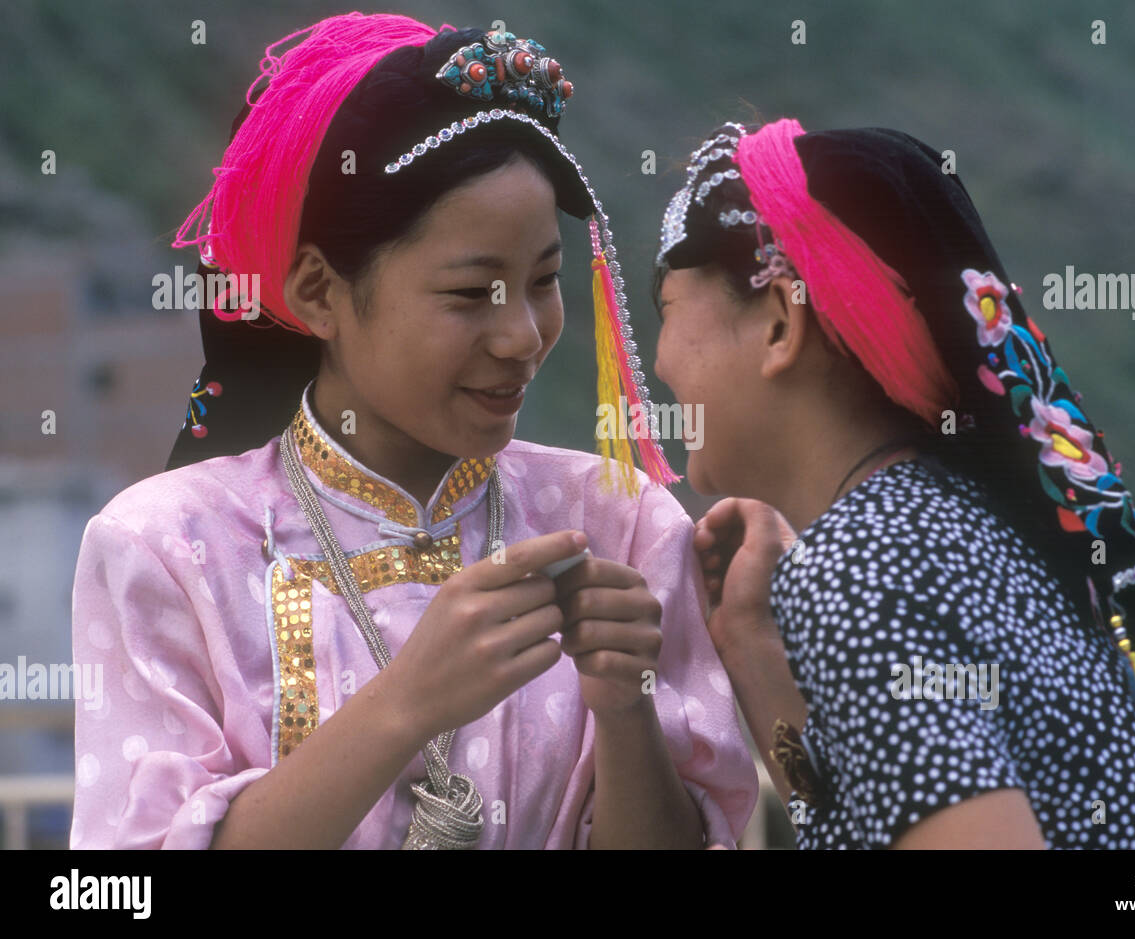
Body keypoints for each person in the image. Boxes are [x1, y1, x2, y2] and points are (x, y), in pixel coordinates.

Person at [69, 13, 757, 850]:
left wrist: (625, 706)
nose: (522, 335)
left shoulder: (622, 523)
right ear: (319, 292)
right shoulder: (166, 547)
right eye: (470, 293)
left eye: (543, 279)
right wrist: (405, 706)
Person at [651, 118, 1135, 848]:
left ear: (781, 322)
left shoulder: (864, 567)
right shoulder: (971, 528)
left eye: (667, 313)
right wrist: (754, 650)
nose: (658, 364)